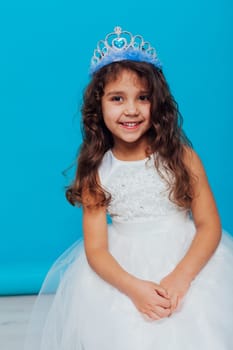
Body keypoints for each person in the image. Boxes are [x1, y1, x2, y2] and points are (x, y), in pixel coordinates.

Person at [24, 27, 233, 350]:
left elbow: (209, 226)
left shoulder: (183, 158)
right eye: (117, 98)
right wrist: (134, 289)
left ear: (157, 103)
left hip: (187, 260)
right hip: (124, 269)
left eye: (143, 98)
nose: (131, 110)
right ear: (99, 106)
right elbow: (96, 250)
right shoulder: (95, 168)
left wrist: (181, 278)